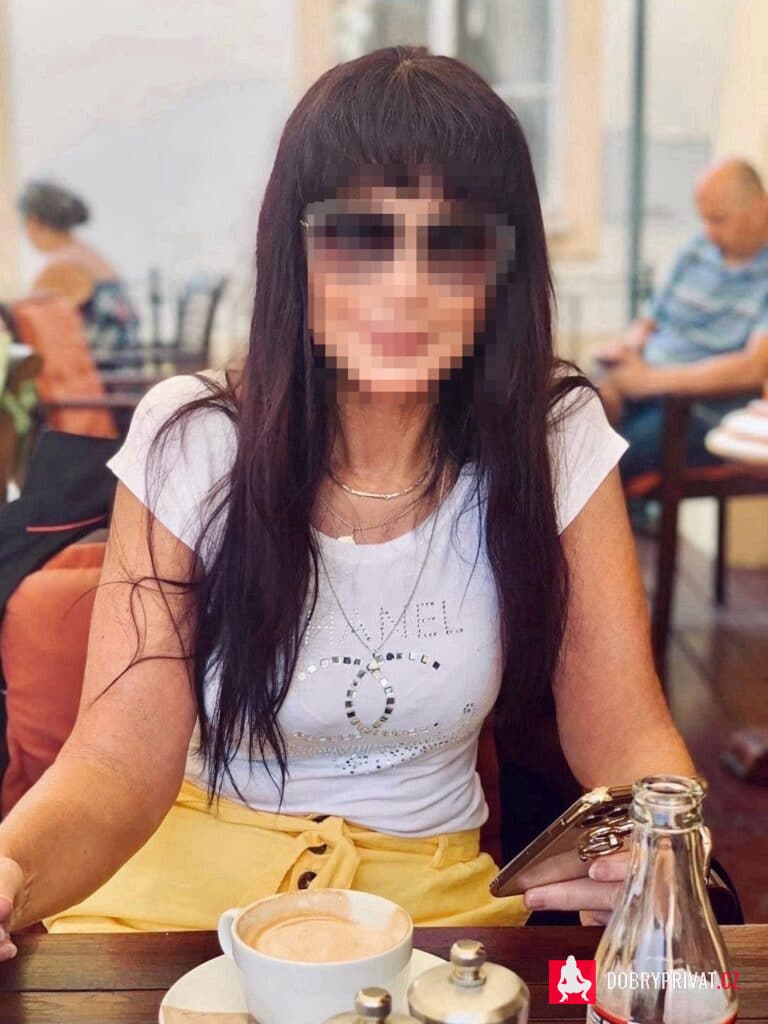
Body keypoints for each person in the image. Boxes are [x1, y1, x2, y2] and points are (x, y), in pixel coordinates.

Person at [0, 47, 695, 958]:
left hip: (429, 901)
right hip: (182, 891)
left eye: (453, 242)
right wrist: (11, 869)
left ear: (503, 270)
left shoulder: (552, 437)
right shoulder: (194, 438)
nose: (404, 284)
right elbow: (116, 759)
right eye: (360, 236)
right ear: (296, 252)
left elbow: (626, 727)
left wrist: (670, 850)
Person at [598, 159, 768, 481]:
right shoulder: (695, 250)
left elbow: (755, 366)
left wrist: (651, 380)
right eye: (705, 218)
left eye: (718, 220)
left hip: (699, 412)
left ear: (760, 208)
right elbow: (649, 321)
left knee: (604, 462)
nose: (709, 232)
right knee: (566, 425)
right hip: (643, 386)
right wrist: (626, 349)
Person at [18, 180, 139, 352]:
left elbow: (26, 319)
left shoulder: (62, 267)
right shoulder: (85, 254)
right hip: (120, 358)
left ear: (34, 222)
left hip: (97, 362)